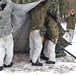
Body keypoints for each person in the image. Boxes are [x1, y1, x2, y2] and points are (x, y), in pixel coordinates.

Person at [29, 0, 49, 66]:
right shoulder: (41, 10)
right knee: (38, 47)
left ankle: (31, 59)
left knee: (32, 46)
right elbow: (47, 5)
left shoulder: (31, 10)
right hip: (37, 30)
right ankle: (34, 61)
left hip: (31, 30)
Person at [0, 0, 14, 71]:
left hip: (0, 35)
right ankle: (7, 63)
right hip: (8, 34)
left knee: (0, 50)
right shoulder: (7, 11)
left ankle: (0, 65)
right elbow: (10, 3)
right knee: (9, 50)